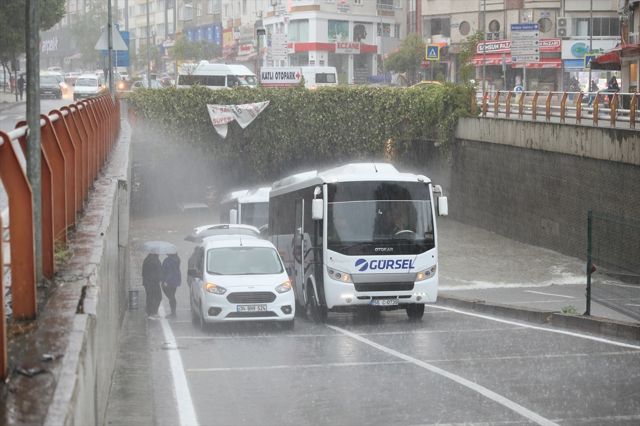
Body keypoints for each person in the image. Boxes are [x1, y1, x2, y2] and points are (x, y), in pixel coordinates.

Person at [142, 253, 163, 318]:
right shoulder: (155, 261)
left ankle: (149, 312)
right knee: (158, 297)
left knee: (150, 297)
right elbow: (159, 272)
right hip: (153, 282)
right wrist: (160, 279)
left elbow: (143, 272)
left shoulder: (147, 259)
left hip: (147, 282)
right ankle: (153, 312)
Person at [161, 253, 181, 319]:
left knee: (171, 297)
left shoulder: (168, 261)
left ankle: (173, 313)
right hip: (175, 281)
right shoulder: (176, 259)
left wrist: (166, 281)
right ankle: (173, 312)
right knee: (172, 296)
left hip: (169, 282)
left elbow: (170, 272)